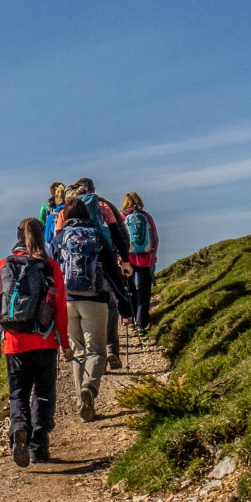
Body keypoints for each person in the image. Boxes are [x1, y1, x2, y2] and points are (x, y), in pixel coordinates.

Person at [0, 217, 70, 467]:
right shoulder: (50, 266)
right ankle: (38, 449)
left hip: (14, 343)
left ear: (17, 238)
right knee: (43, 394)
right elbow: (60, 309)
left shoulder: (2, 265)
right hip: (44, 342)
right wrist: (65, 343)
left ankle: (19, 427)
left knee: (19, 393)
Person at [52, 200, 112, 422]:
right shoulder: (97, 234)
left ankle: (81, 404)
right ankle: (90, 387)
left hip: (68, 301)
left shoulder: (60, 239)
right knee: (96, 352)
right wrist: (125, 304)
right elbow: (112, 269)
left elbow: (53, 269)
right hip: (95, 299)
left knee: (78, 352)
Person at [68, 178, 133, 370]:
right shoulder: (104, 206)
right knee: (109, 305)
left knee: (83, 309)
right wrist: (125, 259)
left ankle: (93, 356)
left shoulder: (69, 208)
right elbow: (119, 232)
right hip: (105, 260)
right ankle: (111, 348)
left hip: (76, 269)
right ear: (93, 190)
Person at [122, 191, 159, 330]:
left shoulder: (121, 217)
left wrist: (120, 258)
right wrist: (153, 254)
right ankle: (141, 324)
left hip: (128, 260)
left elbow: (117, 240)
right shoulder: (147, 217)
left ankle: (131, 320)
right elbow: (155, 238)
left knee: (130, 290)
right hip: (146, 259)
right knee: (144, 292)